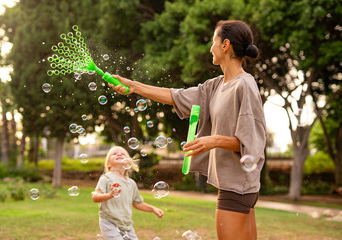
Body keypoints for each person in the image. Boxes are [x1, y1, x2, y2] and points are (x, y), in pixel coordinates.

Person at [110, 20, 266, 240]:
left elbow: (253, 143)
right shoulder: (216, 86)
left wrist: (213, 140)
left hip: (237, 186)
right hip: (235, 184)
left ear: (225, 45)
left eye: (214, 41)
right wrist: (133, 86)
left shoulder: (244, 85)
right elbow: (176, 96)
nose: (210, 47)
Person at [92, 146, 164, 240]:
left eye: (122, 154)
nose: (119, 154)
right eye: (114, 154)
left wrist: (153, 209)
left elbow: (137, 203)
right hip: (109, 222)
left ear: (128, 162)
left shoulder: (131, 183)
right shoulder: (106, 178)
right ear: (108, 164)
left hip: (127, 225)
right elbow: (95, 197)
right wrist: (110, 195)